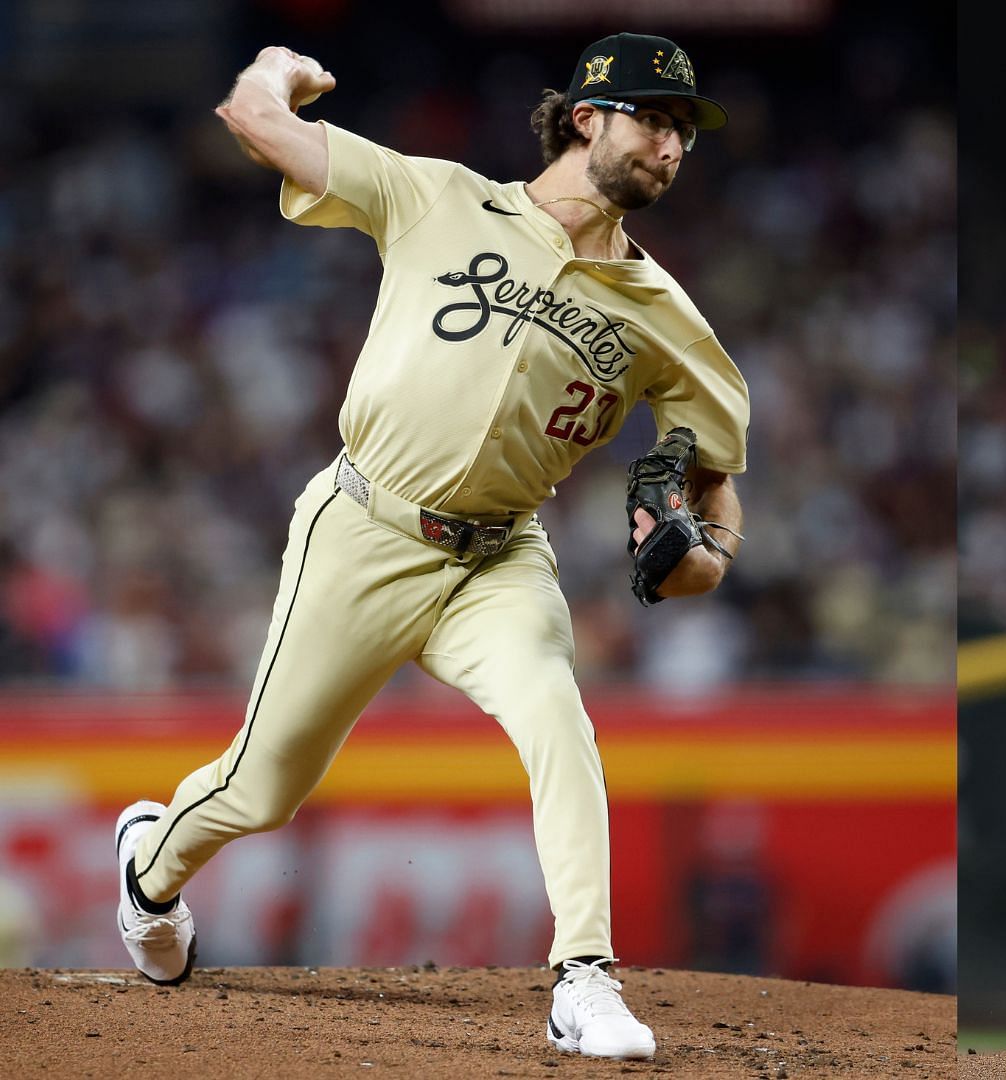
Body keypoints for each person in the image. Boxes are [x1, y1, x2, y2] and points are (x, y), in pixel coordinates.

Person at [111, 33, 750, 1062]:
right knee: (261, 790)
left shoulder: (665, 317)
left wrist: (704, 561)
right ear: (586, 116)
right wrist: (277, 66)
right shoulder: (439, 197)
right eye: (654, 118)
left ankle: (583, 977)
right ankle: (149, 869)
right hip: (363, 527)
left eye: (685, 129)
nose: (673, 145)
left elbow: (719, 487)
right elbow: (251, 119)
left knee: (557, 716)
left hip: (498, 560)